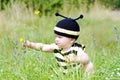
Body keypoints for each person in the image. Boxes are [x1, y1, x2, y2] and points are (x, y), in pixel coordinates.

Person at [22, 13, 94, 76]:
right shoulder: (56, 47)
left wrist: (76, 58)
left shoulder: (76, 49)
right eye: (56, 36)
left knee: (89, 65)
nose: (56, 39)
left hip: (77, 75)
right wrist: (30, 44)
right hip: (62, 75)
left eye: (60, 37)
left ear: (72, 40)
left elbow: (86, 58)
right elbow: (42, 47)